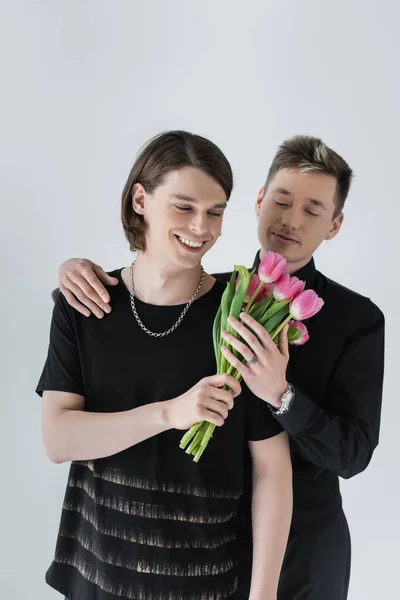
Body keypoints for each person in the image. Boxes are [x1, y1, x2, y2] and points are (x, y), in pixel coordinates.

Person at [56, 134, 385, 600]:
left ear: (334, 225)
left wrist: (281, 396)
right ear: (257, 201)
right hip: (205, 543)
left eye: (312, 211)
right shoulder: (217, 296)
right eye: (281, 201)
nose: (290, 220)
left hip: (300, 548)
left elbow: (354, 455)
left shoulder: (357, 319)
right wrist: (76, 269)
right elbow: (151, 283)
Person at [37, 130, 292, 600]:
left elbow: (271, 469)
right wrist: (169, 414)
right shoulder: (83, 305)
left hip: (209, 584)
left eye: (215, 212)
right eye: (184, 206)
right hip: (98, 579)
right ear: (140, 199)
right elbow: (58, 439)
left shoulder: (241, 315)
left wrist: (264, 596)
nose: (202, 227)